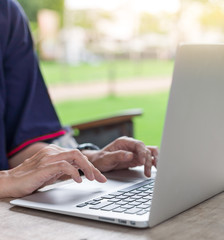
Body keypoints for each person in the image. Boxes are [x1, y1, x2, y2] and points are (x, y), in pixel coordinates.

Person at [0, 0, 158, 198]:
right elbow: (14, 176)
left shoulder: (6, 13)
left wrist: (89, 159)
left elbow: (22, 144)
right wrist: (6, 179)